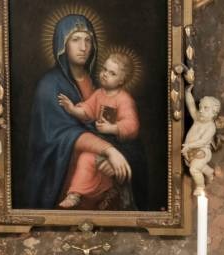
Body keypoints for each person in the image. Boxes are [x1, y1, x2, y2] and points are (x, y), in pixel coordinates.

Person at [24, 14, 148, 211]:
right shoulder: (50, 85)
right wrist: (109, 151)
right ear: (62, 45)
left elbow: (128, 133)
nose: (83, 47)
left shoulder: (101, 85)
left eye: (88, 40)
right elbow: (63, 134)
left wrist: (116, 156)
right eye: (75, 39)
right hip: (64, 176)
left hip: (104, 180)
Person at [58, 52, 140, 209]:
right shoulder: (98, 94)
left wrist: (112, 128)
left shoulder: (124, 99)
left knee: (87, 159)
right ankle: (75, 194)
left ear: (122, 80)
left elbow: (132, 125)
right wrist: (72, 109)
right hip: (100, 141)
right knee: (82, 157)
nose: (105, 74)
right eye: (104, 69)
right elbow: (87, 111)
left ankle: (78, 194)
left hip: (117, 144)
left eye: (112, 73)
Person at [182, 85, 221, 196]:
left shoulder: (210, 127)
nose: (201, 110)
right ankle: (210, 173)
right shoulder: (197, 118)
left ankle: (200, 187)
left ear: (214, 112)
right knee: (197, 165)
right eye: (200, 107)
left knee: (194, 169)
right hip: (192, 151)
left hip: (203, 151)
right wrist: (188, 93)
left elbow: (203, 141)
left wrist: (189, 146)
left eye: (205, 108)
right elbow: (191, 106)